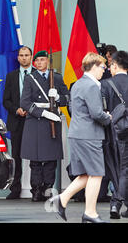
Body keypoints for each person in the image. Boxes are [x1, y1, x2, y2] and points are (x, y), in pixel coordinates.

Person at [50, 52, 112, 223]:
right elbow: (97, 113)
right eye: (102, 67)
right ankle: (90, 213)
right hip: (89, 135)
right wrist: (109, 117)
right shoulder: (92, 86)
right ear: (93, 66)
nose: (104, 70)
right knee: (97, 173)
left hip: (78, 134)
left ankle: (61, 200)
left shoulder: (77, 84)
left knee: (86, 174)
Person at [20, 50, 69, 202]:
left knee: (50, 160)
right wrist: (43, 113)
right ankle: (36, 190)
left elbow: (67, 98)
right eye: (37, 60)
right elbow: (25, 103)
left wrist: (59, 97)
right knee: (35, 160)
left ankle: (47, 188)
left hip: (52, 122)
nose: (40, 63)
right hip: (36, 121)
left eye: (42, 60)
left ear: (47, 61)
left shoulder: (57, 78)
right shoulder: (30, 79)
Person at [3, 46, 34, 199]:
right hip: (16, 120)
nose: (23, 58)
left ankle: (37, 188)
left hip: (34, 120)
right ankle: (15, 188)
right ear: (18, 58)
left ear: (31, 57)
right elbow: (5, 101)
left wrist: (31, 109)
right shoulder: (11, 76)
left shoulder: (38, 75)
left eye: (26, 55)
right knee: (16, 155)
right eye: (21, 55)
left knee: (36, 154)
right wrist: (17, 109)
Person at [101, 50, 128, 219]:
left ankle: (115, 203)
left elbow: (101, 111)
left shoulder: (106, 84)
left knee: (117, 169)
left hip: (114, 133)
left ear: (115, 65)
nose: (109, 68)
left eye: (110, 65)